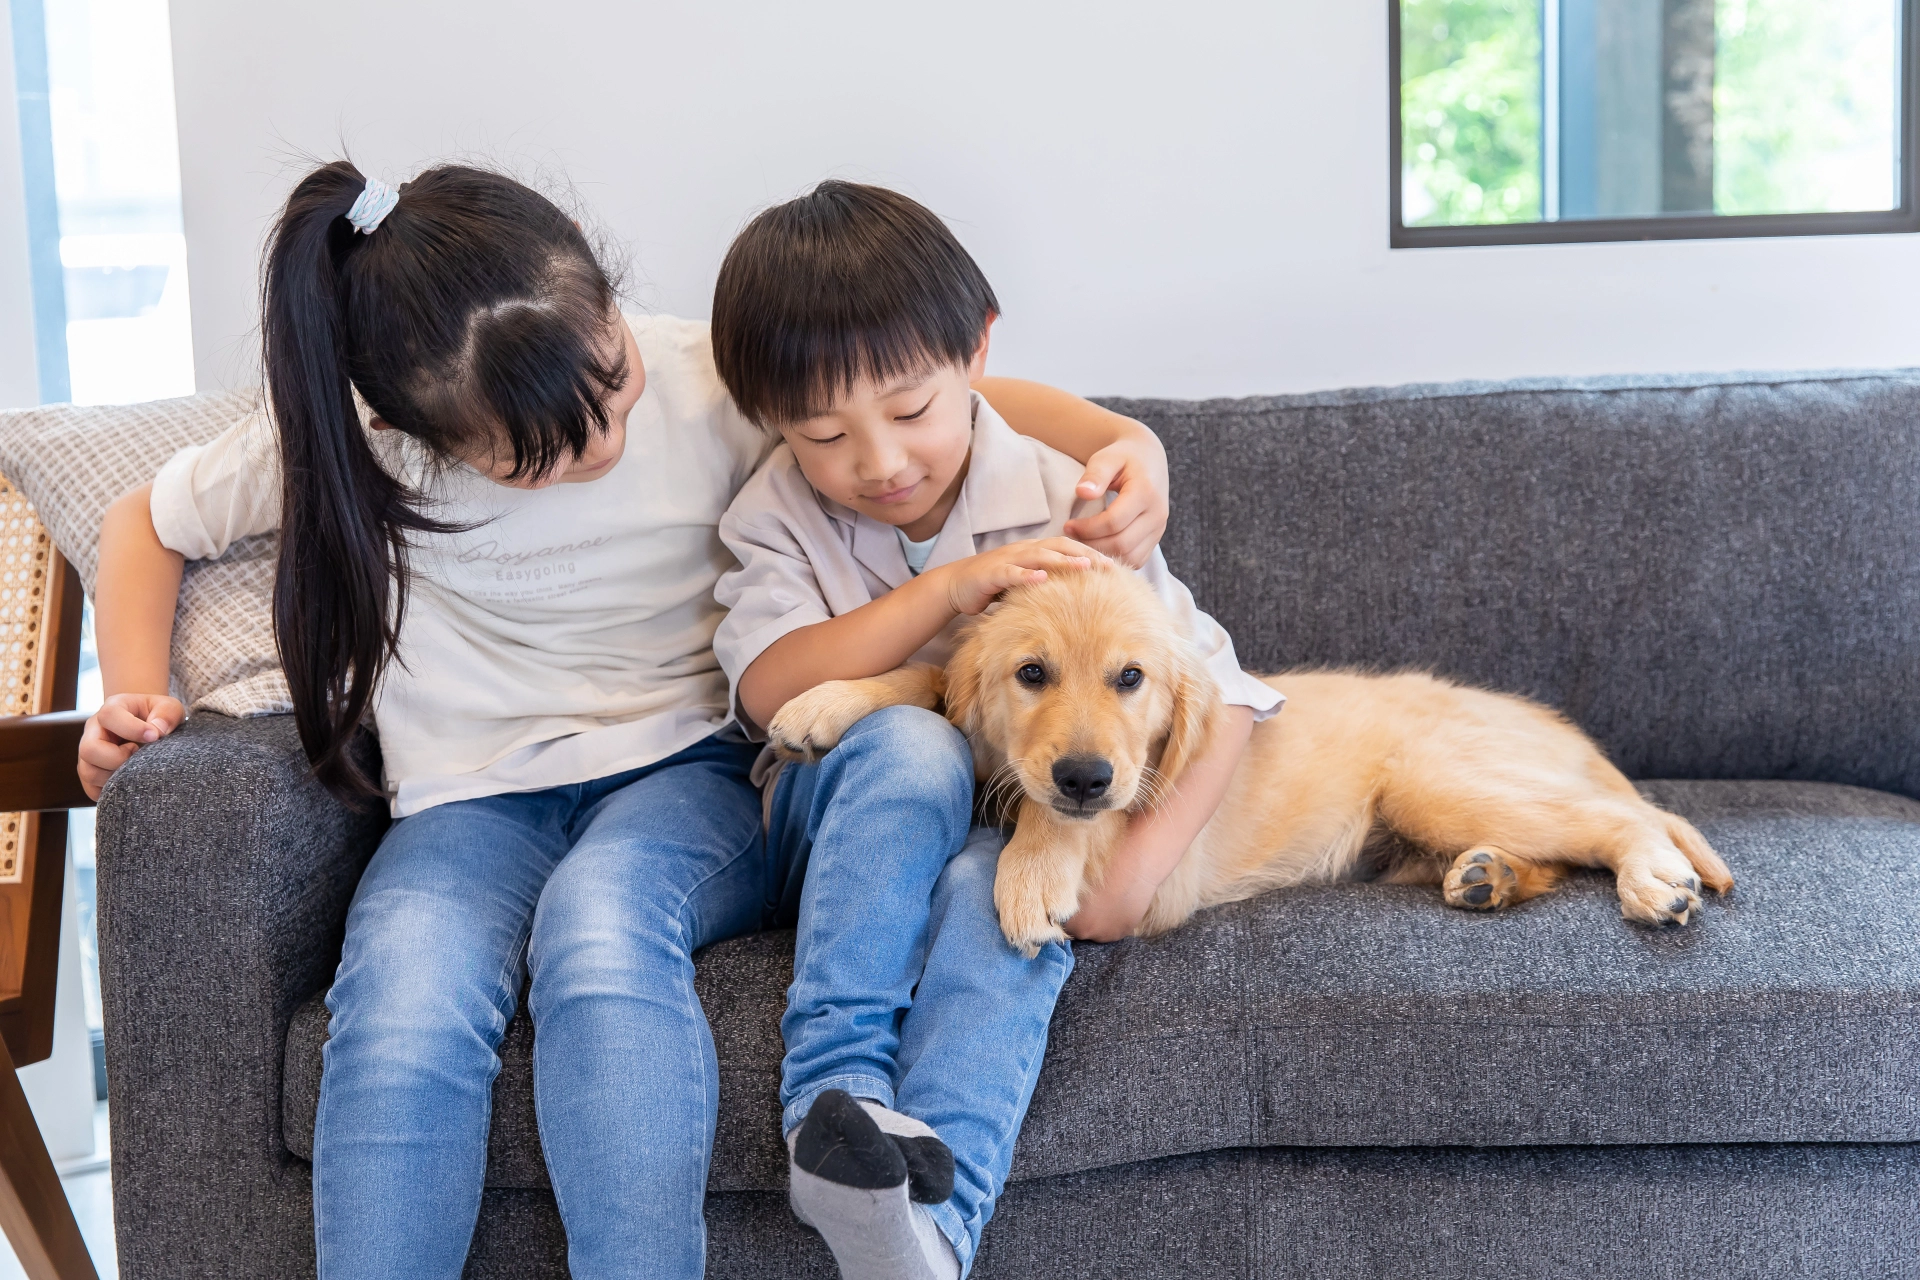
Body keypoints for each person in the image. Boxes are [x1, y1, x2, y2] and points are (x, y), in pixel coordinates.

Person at [74, 161, 1173, 1280]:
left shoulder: (705, 376)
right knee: (401, 1000)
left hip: (690, 774)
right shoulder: (356, 442)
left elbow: (925, 397)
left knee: (599, 932)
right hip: (470, 798)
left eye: (614, 382)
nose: (603, 436)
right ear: (426, 435)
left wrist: (1123, 437)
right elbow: (144, 522)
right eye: (543, 451)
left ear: (612, 307)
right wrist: (133, 685)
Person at [709, 180, 1283, 1280]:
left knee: (998, 902)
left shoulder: (1072, 498)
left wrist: (1124, 876)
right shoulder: (775, 511)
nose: (879, 461)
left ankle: (928, 1233)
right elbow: (775, 690)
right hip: (856, 816)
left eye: (911, 409)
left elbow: (1211, 685)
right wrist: (952, 591)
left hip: (1005, 822)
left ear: (974, 354)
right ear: (774, 423)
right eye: (825, 433)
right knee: (921, 752)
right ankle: (843, 1098)